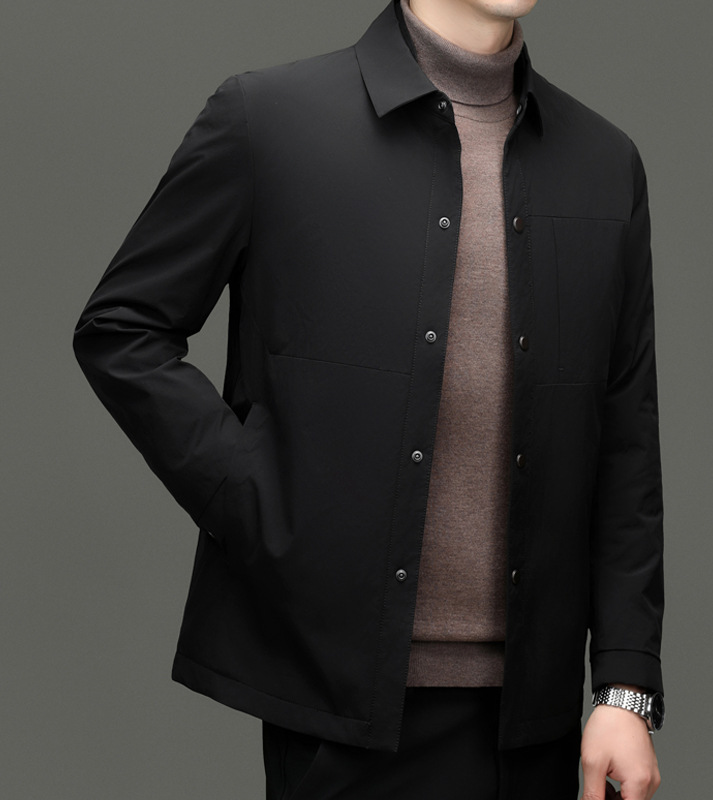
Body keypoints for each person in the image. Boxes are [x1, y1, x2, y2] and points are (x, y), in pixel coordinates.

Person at [73, 0, 666, 797]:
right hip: (343, 714)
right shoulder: (270, 119)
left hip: (537, 722)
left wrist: (625, 688)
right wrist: (258, 498)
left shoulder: (604, 162)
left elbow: (626, 438)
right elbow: (123, 329)